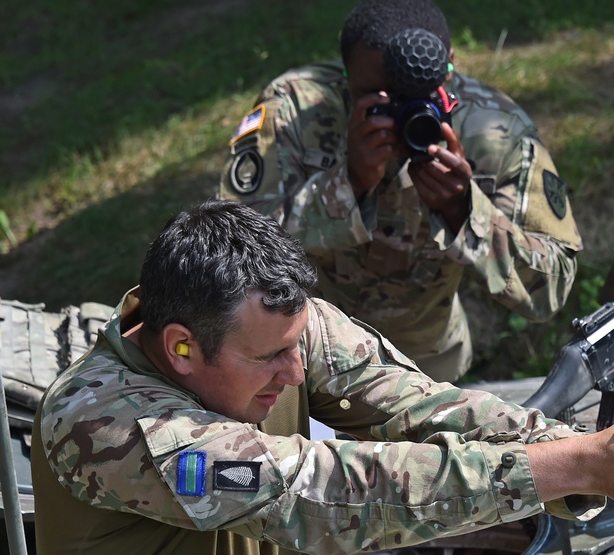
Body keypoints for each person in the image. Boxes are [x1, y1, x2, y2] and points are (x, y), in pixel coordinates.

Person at [31, 200, 614, 555]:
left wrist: (581, 447)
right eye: (271, 358)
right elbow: (324, 496)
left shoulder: (268, 329)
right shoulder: (109, 426)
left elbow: (427, 409)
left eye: (299, 344)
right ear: (180, 348)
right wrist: (575, 468)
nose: (296, 371)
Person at [218, 0, 582, 383]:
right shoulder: (296, 110)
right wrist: (348, 184)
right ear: (346, 73)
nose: (399, 118)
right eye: (377, 99)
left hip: (430, 374)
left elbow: (551, 287)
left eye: (418, 96)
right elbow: (227, 253)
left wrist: (464, 211)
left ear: (448, 63)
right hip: (306, 368)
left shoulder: (496, 135)